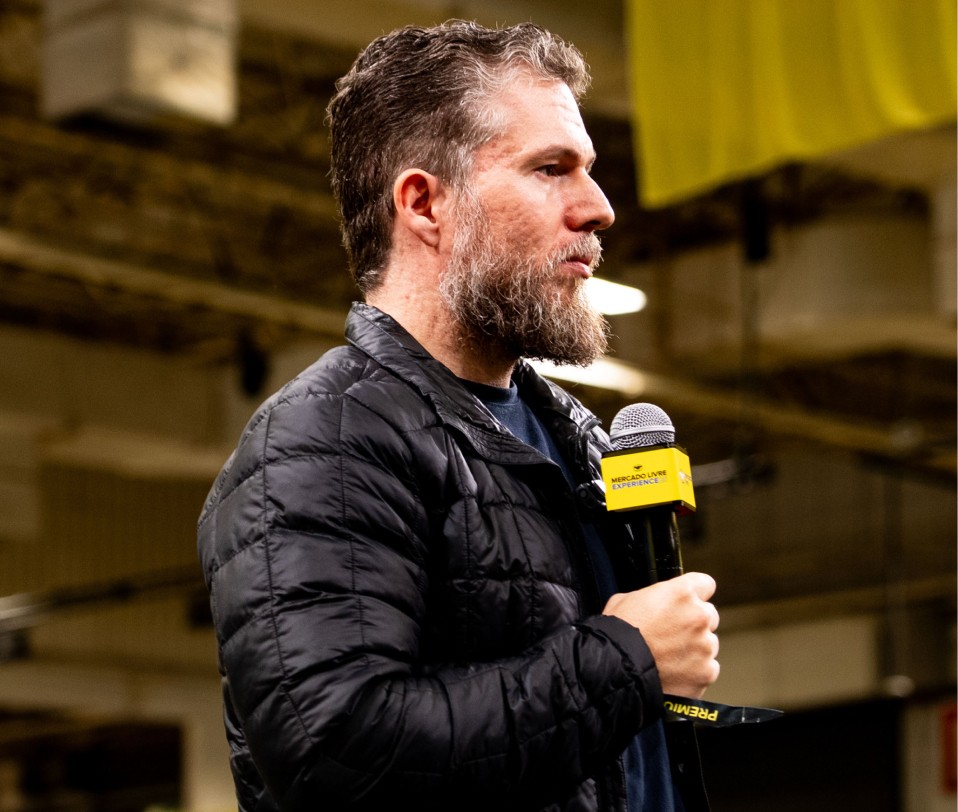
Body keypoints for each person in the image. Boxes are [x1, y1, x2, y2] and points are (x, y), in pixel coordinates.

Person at [197, 20, 720, 812]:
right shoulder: (323, 446)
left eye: (590, 172)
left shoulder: (575, 439)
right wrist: (625, 659)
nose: (599, 208)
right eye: (551, 169)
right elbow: (339, 757)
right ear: (424, 204)